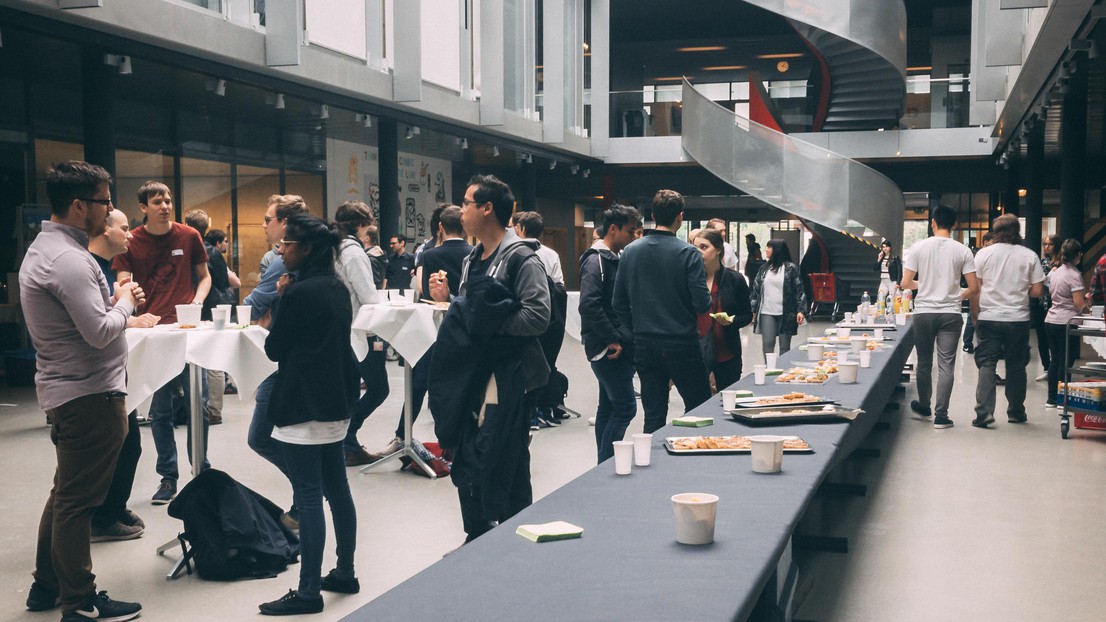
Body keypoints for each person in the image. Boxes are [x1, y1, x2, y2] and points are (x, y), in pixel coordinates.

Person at [20, 160, 144, 621]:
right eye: (105, 201)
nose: (110, 209)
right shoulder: (70, 260)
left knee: (65, 494)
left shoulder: (51, 249)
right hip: (89, 396)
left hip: (72, 392)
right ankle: (79, 601)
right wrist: (126, 305)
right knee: (78, 503)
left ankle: (45, 588)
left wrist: (112, 304)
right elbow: (98, 331)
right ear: (79, 206)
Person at [427, 174, 551, 543]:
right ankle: (480, 532)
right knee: (473, 450)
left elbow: (538, 315)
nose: (460, 209)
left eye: (466, 202)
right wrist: (450, 304)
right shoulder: (472, 258)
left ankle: (507, 533)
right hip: (476, 374)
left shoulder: (521, 259)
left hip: (510, 376)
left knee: (505, 456)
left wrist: (488, 324)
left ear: (487, 208)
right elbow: (472, 313)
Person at [259, 214, 361, 616]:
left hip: (303, 404)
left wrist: (281, 299)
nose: (281, 249)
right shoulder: (335, 288)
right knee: (338, 491)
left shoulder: (299, 294)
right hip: (335, 401)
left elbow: (274, 349)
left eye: (287, 243)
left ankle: (307, 593)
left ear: (307, 249)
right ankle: (345, 571)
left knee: (308, 497)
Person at [113, 180, 212, 504]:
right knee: (161, 410)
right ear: (144, 207)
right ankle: (168, 476)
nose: (165, 205)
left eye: (168, 199)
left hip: (187, 330)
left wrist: (197, 301)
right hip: (152, 335)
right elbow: (122, 282)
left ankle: (202, 469)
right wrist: (128, 296)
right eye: (157, 201)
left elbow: (205, 275)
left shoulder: (189, 235)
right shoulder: (132, 241)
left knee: (199, 402)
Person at [373, 205, 472, 460]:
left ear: (440, 226)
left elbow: (425, 293)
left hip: (434, 328)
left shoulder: (428, 256)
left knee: (418, 384)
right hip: (464, 328)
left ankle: (401, 434)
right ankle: (455, 441)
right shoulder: (474, 254)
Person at [613, 189, 712, 434]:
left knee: (654, 416)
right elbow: (702, 303)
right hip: (682, 343)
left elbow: (618, 303)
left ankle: (653, 466)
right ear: (680, 217)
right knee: (698, 410)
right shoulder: (688, 253)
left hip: (646, 343)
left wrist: (634, 330)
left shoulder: (631, 252)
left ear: (653, 215)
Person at [87, 209, 159, 544]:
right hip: (92, 382)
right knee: (117, 447)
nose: (130, 235)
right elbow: (95, 327)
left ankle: (111, 508)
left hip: (109, 377)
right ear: (104, 229)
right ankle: (102, 516)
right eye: (125, 228)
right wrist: (128, 311)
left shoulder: (98, 268)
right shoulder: (84, 266)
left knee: (128, 443)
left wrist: (122, 302)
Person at [243, 194, 310, 530]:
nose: (264, 225)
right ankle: (305, 499)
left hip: (288, 363)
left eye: (268, 219)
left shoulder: (283, 263)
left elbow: (254, 303)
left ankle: (307, 496)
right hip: (287, 360)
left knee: (262, 436)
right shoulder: (282, 261)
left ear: (284, 223)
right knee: (271, 436)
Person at [900, 204, 979, 429]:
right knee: (946, 365)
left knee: (924, 363)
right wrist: (955, 295)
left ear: (932, 222)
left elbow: (906, 283)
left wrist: (924, 285)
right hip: (951, 314)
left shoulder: (917, 247)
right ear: (954, 226)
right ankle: (941, 416)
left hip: (924, 312)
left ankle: (924, 405)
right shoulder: (963, 250)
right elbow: (973, 288)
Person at [968, 214, 1045, 427]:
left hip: (989, 316)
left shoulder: (983, 254)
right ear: (1017, 231)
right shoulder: (1029, 255)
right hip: (1018, 318)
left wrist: (975, 315)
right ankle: (1016, 411)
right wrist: (1020, 288)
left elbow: (976, 290)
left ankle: (984, 413)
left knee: (987, 364)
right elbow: (1038, 291)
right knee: (1016, 365)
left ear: (995, 231)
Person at [579, 204, 642, 462]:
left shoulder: (614, 258)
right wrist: (611, 338)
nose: (634, 237)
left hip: (614, 345)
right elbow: (589, 304)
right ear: (613, 229)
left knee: (607, 407)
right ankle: (606, 465)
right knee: (626, 407)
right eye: (631, 232)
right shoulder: (596, 260)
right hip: (608, 348)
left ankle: (601, 465)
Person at [329, 201, 387, 467]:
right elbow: (368, 296)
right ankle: (348, 438)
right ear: (362, 224)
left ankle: (347, 443)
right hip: (359, 331)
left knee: (351, 389)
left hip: (341, 331)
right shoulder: (353, 252)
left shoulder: (335, 249)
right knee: (379, 389)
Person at [513, 210, 569, 428]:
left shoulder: (512, 253)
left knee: (526, 362)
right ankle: (545, 408)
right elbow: (560, 287)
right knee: (546, 363)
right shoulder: (551, 254)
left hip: (523, 317)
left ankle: (531, 413)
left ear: (522, 229)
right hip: (549, 318)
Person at [693, 228, 753, 390]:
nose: (698, 252)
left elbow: (747, 315)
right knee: (697, 406)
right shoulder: (689, 279)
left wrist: (731, 320)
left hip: (727, 353)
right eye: (695, 247)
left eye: (704, 247)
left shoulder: (735, 280)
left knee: (726, 402)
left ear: (718, 250)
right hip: (695, 354)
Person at [1044, 239, 1089, 409]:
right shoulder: (1074, 275)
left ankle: (1051, 398)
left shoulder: (1055, 272)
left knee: (1054, 359)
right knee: (1066, 361)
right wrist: (1087, 299)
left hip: (1051, 319)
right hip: (1067, 322)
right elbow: (1078, 303)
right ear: (1078, 255)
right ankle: (1063, 399)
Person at [749, 239, 806, 357]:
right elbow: (756, 290)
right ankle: (769, 370)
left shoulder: (790, 268)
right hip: (767, 312)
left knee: (785, 347)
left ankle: (782, 372)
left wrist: (801, 310)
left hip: (786, 312)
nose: (766, 250)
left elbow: (799, 289)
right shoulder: (764, 269)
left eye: (769, 247)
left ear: (777, 250)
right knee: (767, 344)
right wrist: (752, 310)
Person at [361, 225, 388, 290]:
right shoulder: (379, 255)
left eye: (360, 235)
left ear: (367, 238)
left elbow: (376, 284)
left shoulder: (371, 259)